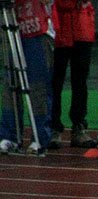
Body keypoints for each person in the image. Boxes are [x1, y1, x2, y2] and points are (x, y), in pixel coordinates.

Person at [0, 0, 54, 156]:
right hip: (10, 30)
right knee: (10, 85)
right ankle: (9, 136)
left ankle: (40, 137)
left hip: (37, 32)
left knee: (38, 88)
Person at [50, 0, 98, 148]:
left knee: (80, 82)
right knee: (54, 82)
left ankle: (79, 127)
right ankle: (53, 127)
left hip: (82, 28)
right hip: (58, 28)